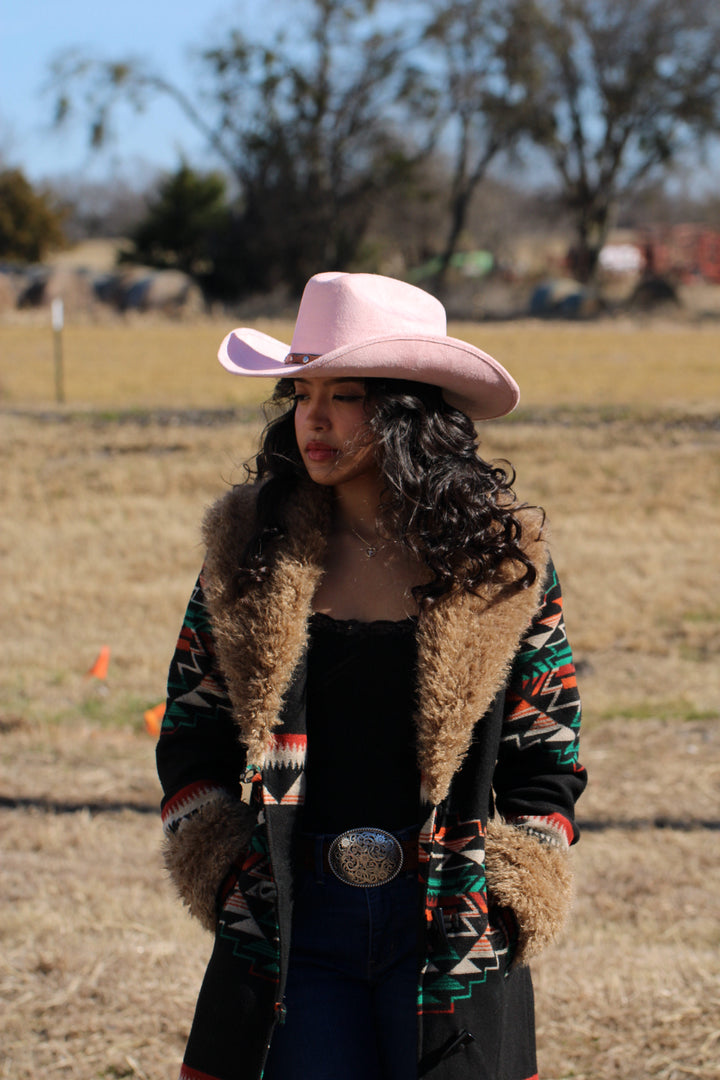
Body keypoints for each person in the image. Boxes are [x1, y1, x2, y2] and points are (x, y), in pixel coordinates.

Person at [156, 271, 587, 1080]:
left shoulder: (500, 567)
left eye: (345, 394)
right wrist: (222, 871)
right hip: (291, 920)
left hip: (449, 924)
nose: (313, 419)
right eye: (301, 391)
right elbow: (191, 732)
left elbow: (547, 758)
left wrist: (507, 897)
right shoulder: (250, 553)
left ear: (408, 410)